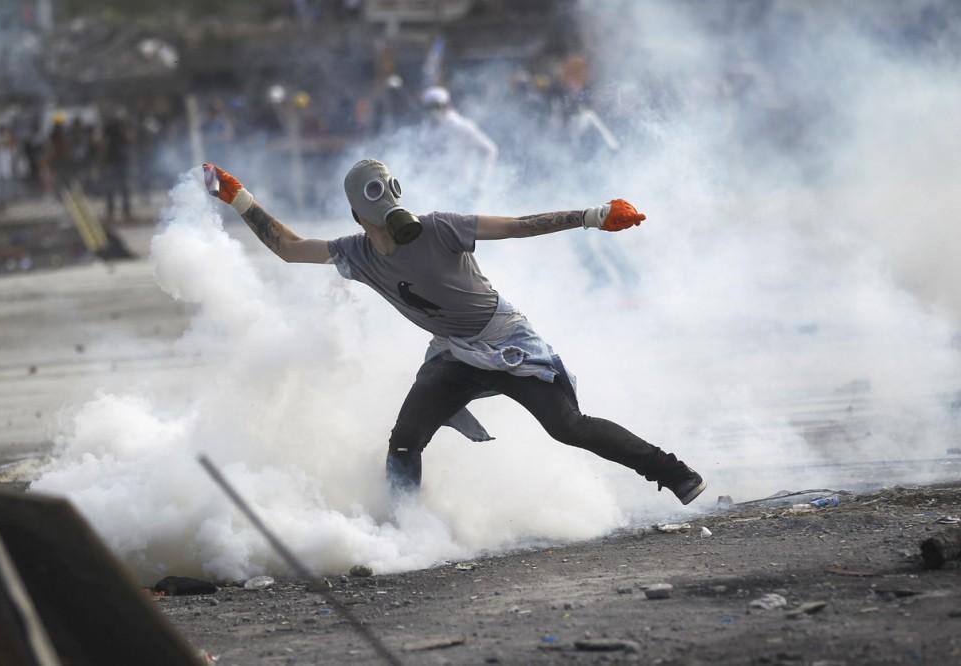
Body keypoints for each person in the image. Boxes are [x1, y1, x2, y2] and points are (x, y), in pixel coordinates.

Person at [202, 160, 707, 505]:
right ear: (357, 214)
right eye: (373, 198)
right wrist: (239, 197)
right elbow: (290, 249)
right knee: (405, 442)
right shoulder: (353, 251)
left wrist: (592, 216)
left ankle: (675, 473)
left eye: (389, 191)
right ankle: (406, 532)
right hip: (453, 354)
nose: (389, 205)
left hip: (506, 341)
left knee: (567, 427)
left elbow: (515, 225)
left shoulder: (441, 226)